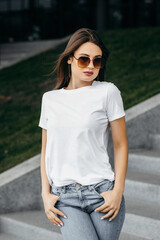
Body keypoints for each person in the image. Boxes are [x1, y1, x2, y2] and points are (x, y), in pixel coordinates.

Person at [38, 28, 128, 240]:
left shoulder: (108, 92)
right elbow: (45, 151)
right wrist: (45, 193)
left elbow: (121, 145)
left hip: (102, 193)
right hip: (65, 197)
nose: (90, 66)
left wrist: (117, 191)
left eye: (97, 61)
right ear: (69, 59)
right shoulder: (50, 99)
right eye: (84, 59)